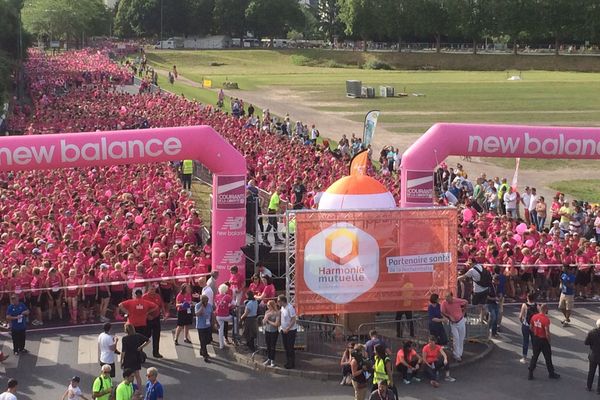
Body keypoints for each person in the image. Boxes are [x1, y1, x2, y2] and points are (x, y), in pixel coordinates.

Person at [528, 304, 560, 380]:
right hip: (543, 340)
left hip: (536, 339)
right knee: (548, 357)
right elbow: (547, 332)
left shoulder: (534, 317)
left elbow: (530, 327)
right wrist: (549, 340)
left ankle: (530, 372)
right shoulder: (546, 319)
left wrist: (535, 333)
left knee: (535, 356)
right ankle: (551, 373)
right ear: (545, 309)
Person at [120, 323, 150, 389]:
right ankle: (139, 390)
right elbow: (148, 340)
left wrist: (121, 360)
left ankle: (130, 389)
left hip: (128, 359)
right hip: (136, 357)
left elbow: (123, 351)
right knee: (137, 375)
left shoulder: (124, 338)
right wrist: (141, 347)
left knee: (128, 375)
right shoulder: (138, 335)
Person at [440, 293, 468, 362]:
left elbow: (466, 302)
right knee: (456, 338)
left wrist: (464, 312)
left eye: (448, 298)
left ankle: (460, 353)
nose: (447, 300)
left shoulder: (456, 300)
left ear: (451, 297)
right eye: (446, 298)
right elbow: (442, 312)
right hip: (453, 323)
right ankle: (456, 354)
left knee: (461, 338)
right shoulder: (444, 303)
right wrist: (449, 316)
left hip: (461, 321)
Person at [142, 285, 164, 358]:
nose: (153, 291)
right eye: (151, 289)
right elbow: (141, 308)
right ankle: (140, 350)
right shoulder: (144, 297)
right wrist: (147, 316)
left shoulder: (158, 296)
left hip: (156, 318)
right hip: (147, 319)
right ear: (148, 290)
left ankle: (156, 352)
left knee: (156, 335)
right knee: (146, 335)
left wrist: (164, 313)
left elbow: (161, 305)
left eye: (154, 290)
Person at [278, 294, 297, 369]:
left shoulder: (290, 307)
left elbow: (293, 319)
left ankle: (292, 363)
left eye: (279, 301)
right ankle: (288, 361)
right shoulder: (282, 308)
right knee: (286, 347)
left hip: (290, 331)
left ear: (282, 301)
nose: (278, 302)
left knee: (290, 347)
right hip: (284, 330)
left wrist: (288, 328)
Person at [518, 292, 538, 364]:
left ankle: (524, 358)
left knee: (525, 341)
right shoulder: (536, 305)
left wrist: (522, 322)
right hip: (534, 326)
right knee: (534, 342)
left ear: (527, 298)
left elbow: (520, 316)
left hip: (526, 325)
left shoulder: (524, 305)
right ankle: (535, 357)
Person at [195, 294, 213, 363]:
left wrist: (213, 322)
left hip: (207, 325)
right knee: (202, 340)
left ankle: (201, 349)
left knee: (208, 339)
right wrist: (202, 308)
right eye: (204, 302)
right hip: (201, 326)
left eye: (206, 301)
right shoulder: (198, 305)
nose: (206, 303)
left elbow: (212, 314)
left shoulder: (209, 305)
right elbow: (197, 314)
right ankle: (205, 355)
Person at [262, 299, 280, 367]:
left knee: (273, 346)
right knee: (268, 346)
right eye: (267, 305)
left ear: (272, 305)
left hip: (274, 332)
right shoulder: (267, 312)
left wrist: (268, 321)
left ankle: (272, 360)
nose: (268, 306)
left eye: (269, 305)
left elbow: (276, 324)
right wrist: (266, 317)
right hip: (267, 330)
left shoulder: (277, 313)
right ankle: (269, 359)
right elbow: (263, 322)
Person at [585, 319, 600, 392]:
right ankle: (599, 390)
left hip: (593, 355)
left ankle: (589, 386)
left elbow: (586, 342)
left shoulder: (591, 332)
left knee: (591, 372)